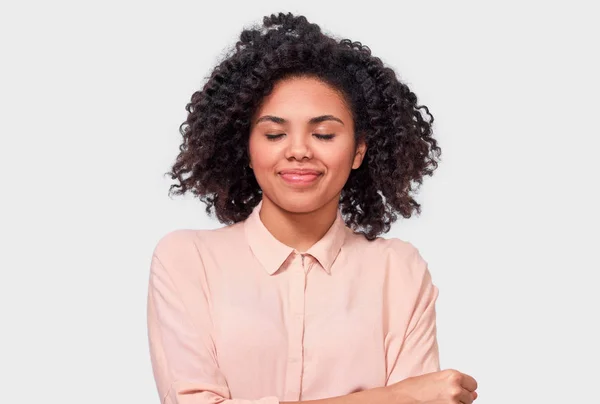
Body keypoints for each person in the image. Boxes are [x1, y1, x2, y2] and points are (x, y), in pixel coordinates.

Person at [147, 11, 478, 404]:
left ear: (358, 150)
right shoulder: (187, 260)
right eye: (274, 134)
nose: (299, 151)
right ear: (247, 149)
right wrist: (393, 397)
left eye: (323, 133)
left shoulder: (399, 271)